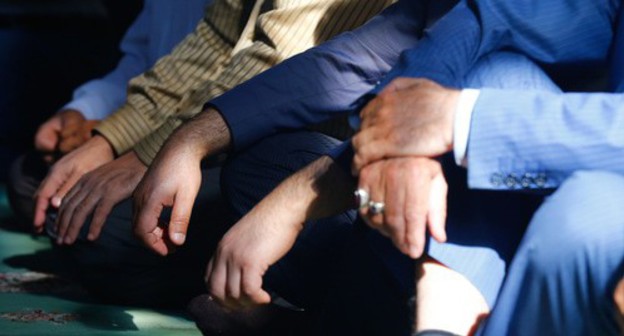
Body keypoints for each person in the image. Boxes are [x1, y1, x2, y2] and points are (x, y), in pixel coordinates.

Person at [133, 0, 623, 334]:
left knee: (576, 215)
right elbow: (476, 21)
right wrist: (407, 133)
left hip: (570, 202)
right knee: (260, 172)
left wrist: (457, 121)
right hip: (480, 204)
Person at [33, 0, 394, 310]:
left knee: (101, 235)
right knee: (44, 188)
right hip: (250, 135)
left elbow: (278, 61)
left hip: (307, 150)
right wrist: (111, 141)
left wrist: (155, 151)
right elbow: (213, 42)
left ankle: (289, 302)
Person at [7, 0, 211, 224]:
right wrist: (82, 112)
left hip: (196, 146)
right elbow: (140, 63)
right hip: (142, 121)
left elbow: (220, 92)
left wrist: (113, 139)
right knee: (25, 178)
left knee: (94, 226)